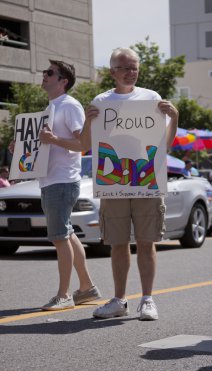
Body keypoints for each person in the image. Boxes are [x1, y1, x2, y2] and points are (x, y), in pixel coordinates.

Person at [40, 48, 178, 320]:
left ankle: (148, 300)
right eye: (125, 67)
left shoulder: (151, 99)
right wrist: (90, 122)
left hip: (145, 179)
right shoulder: (101, 101)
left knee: (146, 241)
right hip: (115, 180)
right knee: (117, 243)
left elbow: (166, 144)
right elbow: (86, 145)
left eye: (134, 67)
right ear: (112, 71)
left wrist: (174, 118)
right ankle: (119, 300)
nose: (131, 72)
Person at [35, 60, 101, 311]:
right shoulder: (53, 106)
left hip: (62, 180)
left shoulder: (70, 106)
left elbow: (82, 144)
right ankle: (86, 288)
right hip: (53, 180)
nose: (44, 75)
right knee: (67, 234)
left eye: (49, 72)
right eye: (45, 71)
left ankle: (63, 295)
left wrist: (53, 139)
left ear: (63, 81)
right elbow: (47, 144)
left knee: (60, 238)